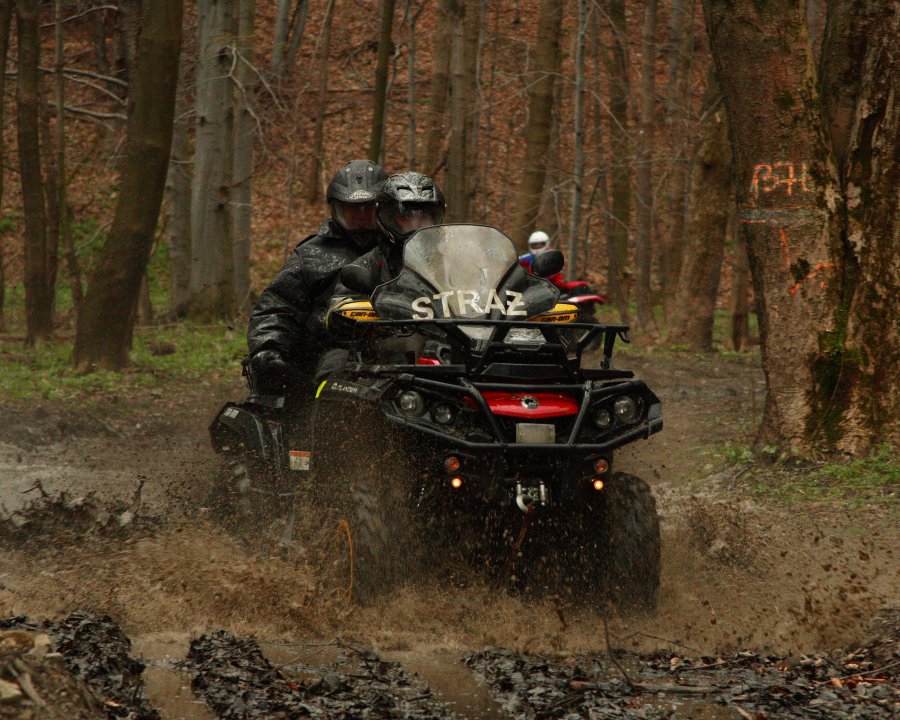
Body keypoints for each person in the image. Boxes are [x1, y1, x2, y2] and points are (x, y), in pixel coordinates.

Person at [244, 159, 389, 407]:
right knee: (337, 368)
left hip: (397, 346)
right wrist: (268, 347)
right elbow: (277, 306)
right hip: (330, 351)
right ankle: (329, 431)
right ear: (336, 209)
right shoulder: (311, 255)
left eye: (369, 209)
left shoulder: (401, 249)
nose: (362, 218)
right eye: (353, 210)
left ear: (384, 209)